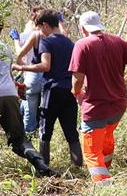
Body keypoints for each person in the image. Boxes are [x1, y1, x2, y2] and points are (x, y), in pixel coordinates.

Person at [69, 10, 127, 182]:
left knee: (92, 151)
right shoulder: (117, 41)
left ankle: (103, 186)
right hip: (118, 106)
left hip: (96, 108)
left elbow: (77, 79)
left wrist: (76, 93)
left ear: (82, 28)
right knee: (106, 138)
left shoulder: (82, 45)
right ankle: (107, 171)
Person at [0, 20, 53, 177]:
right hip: (10, 94)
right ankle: (41, 165)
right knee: (19, 138)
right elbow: (9, 74)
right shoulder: (5, 47)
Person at [13, 9, 83, 172]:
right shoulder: (69, 42)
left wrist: (21, 67)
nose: (39, 31)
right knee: (71, 131)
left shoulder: (47, 42)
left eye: (39, 28)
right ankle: (78, 167)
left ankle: (43, 168)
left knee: (45, 131)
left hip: (51, 90)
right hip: (69, 91)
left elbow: (45, 66)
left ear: (45, 25)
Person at [13, 6, 47, 139]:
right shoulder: (49, 34)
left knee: (29, 107)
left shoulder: (27, 35)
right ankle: (40, 133)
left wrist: (16, 40)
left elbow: (19, 54)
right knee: (41, 107)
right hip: (45, 76)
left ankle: (28, 135)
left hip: (30, 74)